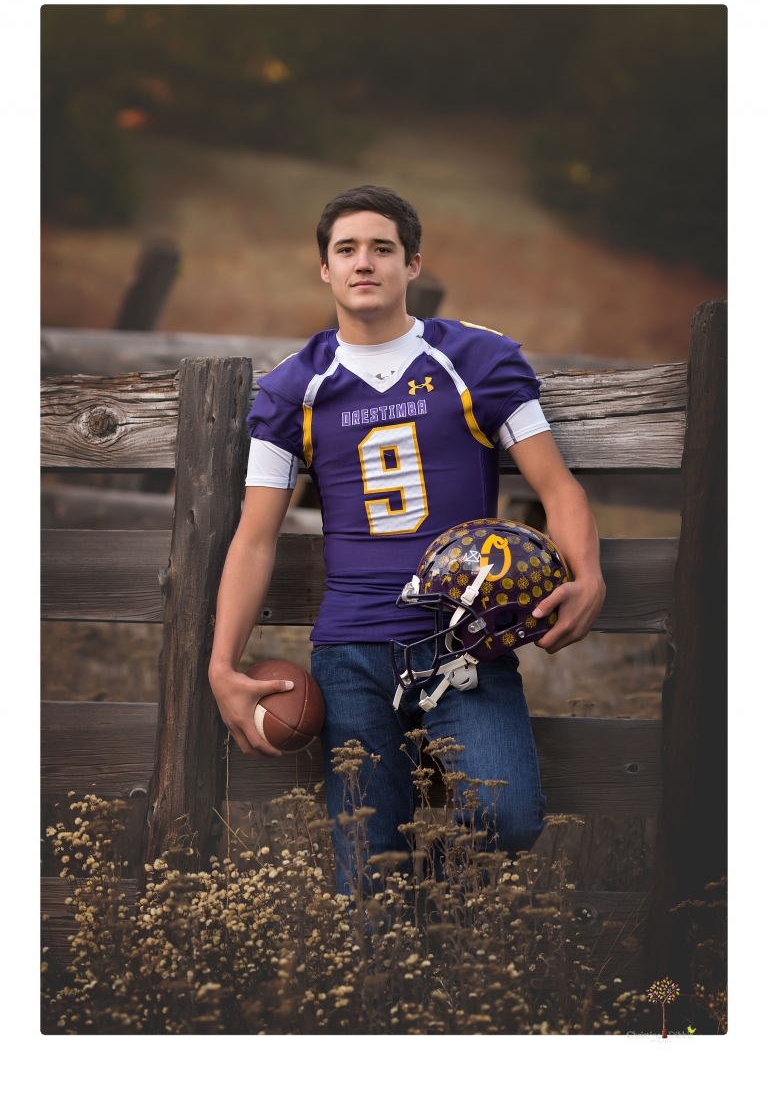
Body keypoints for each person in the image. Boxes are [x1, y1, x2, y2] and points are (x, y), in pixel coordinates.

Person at [208, 185, 605, 893]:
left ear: (412, 263)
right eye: (347, 249)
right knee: (365, 866)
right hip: (352, 650)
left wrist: (590, 575)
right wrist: (221, 664)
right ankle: (383, 980)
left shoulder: (476, 361)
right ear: (324, 270)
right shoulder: (293, 389)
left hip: (464, 640)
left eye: (382, 248)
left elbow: (558, 489)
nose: (365, 262)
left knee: (509, 820)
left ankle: (440, 898)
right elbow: (255, 538)